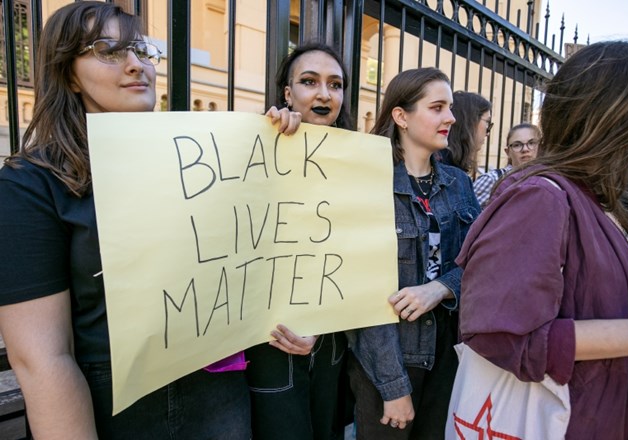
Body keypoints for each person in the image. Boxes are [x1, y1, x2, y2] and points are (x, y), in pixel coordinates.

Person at [0, 2, 298, 438]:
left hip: (219, 388)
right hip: (112, 401)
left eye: (142, 50)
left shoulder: (197, 157)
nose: (137, 66)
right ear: (67, 73)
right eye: (108, 50)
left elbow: (255, 262)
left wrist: (279, 147)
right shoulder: (30, 183)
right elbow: (42, 359)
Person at [456, 41, 628, 439]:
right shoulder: (542, 196)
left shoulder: (594, 196)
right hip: (560, 420)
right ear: (621, 115)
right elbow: (496, 334)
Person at [345, 67, 480, 439]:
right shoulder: (369, 185)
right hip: (388, 360)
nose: (450, 117)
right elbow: (362, 294)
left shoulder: (459, 183)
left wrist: (442, 288)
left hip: (447, 354)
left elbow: (482, 263)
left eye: (450, 107)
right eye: (437, 107)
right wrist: (393, 387)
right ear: (401, 116)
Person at [244, 42, 352, 440]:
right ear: (287, 94)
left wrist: (323, 325)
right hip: (271, 344)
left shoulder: (361, 165)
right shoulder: (258, 145)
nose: (325, 94)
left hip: (332, 346)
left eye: (335, 84)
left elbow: (360, 258)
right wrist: (264, 133)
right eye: (310, 82)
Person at [473, 123, 541, 206]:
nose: (525, 149)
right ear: (508, 152)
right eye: (517, 145)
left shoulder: (549, 180)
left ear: (540, 147)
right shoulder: (492, 180)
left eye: (531, 143)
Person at [442, 91, 492, 175]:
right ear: (470, 122)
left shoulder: (445, 161)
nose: (488, 133)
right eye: (487, 122)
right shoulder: (446, 168)